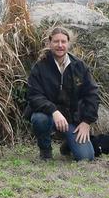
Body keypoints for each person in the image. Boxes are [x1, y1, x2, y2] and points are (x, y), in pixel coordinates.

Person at [26, 26, 99, 161]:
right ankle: (45, 151)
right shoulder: (40, 67)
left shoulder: (79, 66)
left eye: (63, 42)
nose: (60, 45)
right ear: (49, 43)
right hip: (49, 116)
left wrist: (86, 121)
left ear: (68, 43)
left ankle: (68, 145)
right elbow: (34, 96)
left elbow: (92, 94)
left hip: (72, 119)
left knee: (86, 157)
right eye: (56, 41)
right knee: (39, 119)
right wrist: (54, 111)